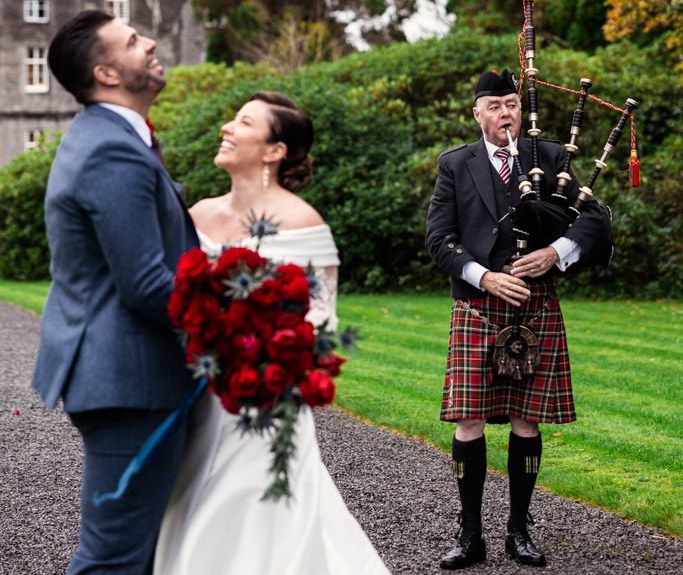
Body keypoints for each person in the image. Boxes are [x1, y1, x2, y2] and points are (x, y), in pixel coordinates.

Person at [154, 91, 391, 575]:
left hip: (265, 397)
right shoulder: (197, 214)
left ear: (273, 151)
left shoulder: (305, 223)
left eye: (242, 121)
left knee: (258, 510)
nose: (226, 127)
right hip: (195, 395)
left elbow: (321, 320)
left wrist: (257, 357)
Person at [32, 10, 199, 575]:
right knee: (114, 561)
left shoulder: (115, 138)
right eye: (133, 41)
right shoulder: (110, 147)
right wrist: (246, 314)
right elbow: (147, 284)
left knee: (141, 552)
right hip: (130, 380)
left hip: (130, 376)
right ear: (105, 73)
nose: (151, 41)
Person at [426, 68, 609, 570]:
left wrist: (556, 251)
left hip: (537, 304)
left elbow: (596, 216)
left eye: (511, 103)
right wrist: (483, 276)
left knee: (527, 418)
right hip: (478, 306)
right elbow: (438, 237)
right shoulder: (455, 165)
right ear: (477, 113)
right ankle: (469, 535)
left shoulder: (550, 157)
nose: (505, 113)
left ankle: (519, 530)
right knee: (468, 420)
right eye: (494, 105)